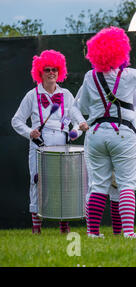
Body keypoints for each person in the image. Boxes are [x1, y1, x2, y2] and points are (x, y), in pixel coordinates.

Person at [72, 27, 136, 239]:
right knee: (126, 183)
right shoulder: (126, 76)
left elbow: (82, 106)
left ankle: (92, 233)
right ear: (121, 52)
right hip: (122, 133)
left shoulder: (90, 77)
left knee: (98, 184)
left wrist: (84, 120)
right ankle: (128, 232)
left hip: (96, 133)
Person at [11, 49, 85, 234]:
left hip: (63, 144)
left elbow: (76, 119)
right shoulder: (31, 95)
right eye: (47, 70)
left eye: (55, 69)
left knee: (64, 184)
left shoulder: (66, 94)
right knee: (37, 182)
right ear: (40, 73)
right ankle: (37, 228)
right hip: (39, 146)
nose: (52, 73)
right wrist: (30, 132)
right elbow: (16, 120)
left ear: (60, 72)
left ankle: (64, 226)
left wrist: (75, 132)